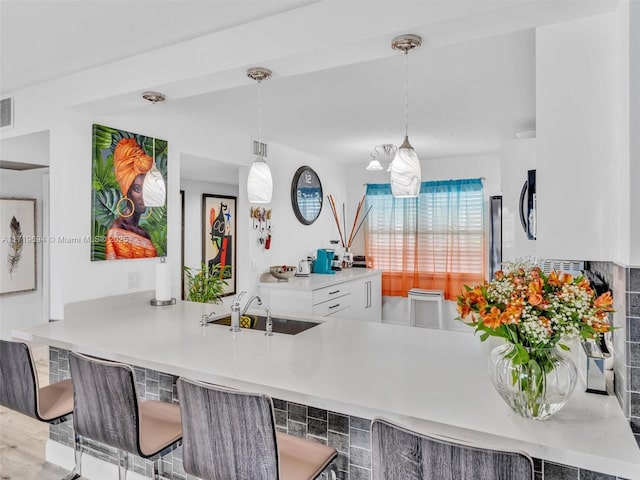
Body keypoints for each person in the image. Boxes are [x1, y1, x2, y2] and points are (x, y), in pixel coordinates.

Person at [105, 138, 157, 259]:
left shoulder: (144, 234)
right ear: (126, 191)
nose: (144, 196)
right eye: (137, 189)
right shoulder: (117, 230)